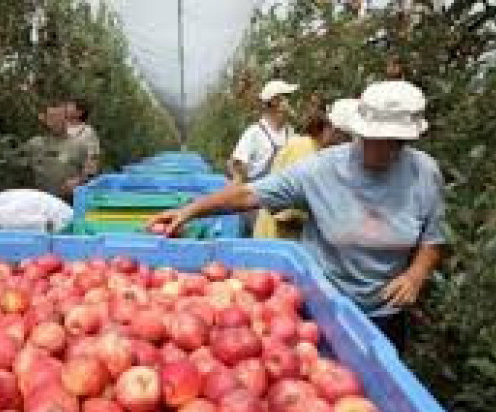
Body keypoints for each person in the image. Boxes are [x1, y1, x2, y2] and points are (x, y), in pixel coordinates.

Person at [149, 81, 446, 352]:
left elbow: (432, 239)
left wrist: (415, 274)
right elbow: (249, 194)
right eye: (371, 137)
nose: (379, 147)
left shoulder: (425, 174)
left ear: (407, 140)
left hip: (385, 315)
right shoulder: (323, 169)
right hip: (322, 308)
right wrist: (189, 211)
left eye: (393, 140)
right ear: (358, 130)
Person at [253, 109, 352, 239]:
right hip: (278, 242)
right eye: (347, 137)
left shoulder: (323, 154)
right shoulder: (303, 150)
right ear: (331, 130)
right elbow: (287, 215)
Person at [228, 80, 298, 235]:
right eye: (288, 97)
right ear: (275, 102)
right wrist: (234, 201)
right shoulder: (254, 133)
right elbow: (237, 169)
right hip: (257, 203)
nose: (292, 102)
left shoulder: (291, 133)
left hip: (282, 202)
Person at [20, 103, 89, 202]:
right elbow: (19, 171)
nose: (56, 121)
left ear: (67, 119)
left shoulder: (79, 145)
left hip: (67, 202)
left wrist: (78, 181)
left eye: (60, 117)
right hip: (39, 201)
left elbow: (89, 175)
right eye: (52, 117)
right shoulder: (34, 144)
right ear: (45, 120)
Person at [65, 99, 101, 180]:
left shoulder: (88, 131)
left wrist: (86, 176)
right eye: (67, 106)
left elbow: (93, 156)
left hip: (81, 176)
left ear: (79, 112)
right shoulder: (61, 128)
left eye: (70, 107)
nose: (66, 109)